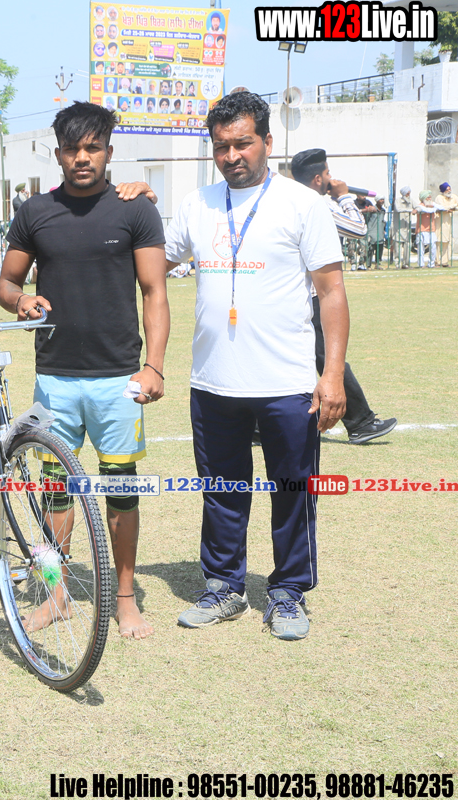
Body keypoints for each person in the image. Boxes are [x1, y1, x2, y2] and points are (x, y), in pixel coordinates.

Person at [164, 92, 349, 641]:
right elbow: (155, 260)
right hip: (213, 381)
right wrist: (130, 204)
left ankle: (288, 592)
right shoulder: (197, 204)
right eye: (221, 146)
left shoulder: (302, 204)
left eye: (243, 143)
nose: (232, 155)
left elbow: (331, 291)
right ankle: (224, 587)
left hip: (287, 382)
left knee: (292, 490)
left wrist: (332, 374)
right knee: (222, 490)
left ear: (267, 142)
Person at [0, 101, 168, 640]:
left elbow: (155, 292)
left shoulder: (135, 211)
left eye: (93, 147)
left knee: (121, 491)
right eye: (72, 149)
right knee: (54, 492)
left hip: (119, 380)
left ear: (109, 152)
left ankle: (124, 597)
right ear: (58, 155)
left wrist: (154, 366)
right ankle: (56, 594)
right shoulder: (35, 212)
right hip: (55, 377)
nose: (82, 158)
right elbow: (6, 284)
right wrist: (19, 300)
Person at [289, 148, 397, 445]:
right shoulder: (313, 205)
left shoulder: (286, 200)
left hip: (288, 294)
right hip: (311, 296)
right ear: (317, 179)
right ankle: (361, 422)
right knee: (330, 359)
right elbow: (358, 229)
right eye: (327, 173)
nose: (331, 178)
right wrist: (344, 196)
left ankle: (258, 426)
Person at [435, 182, 455, 266]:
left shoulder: (453, 197)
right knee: (438, 242)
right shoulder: (439, 197)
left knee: (448, 242)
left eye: (450, 189)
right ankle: (437, 261)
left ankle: (444, 261)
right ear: (443, 191)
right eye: (447, 189)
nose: (449, 191)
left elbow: (455, 205)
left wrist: (452, 208)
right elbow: (441, 207)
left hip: (448, 223)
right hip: (440, 223)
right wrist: (449, 208)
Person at [415, 190, 437, 268]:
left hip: (431, 229)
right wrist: (432, 208)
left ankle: (431, 264)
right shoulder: (419, 206)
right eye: (428, 197)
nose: (430, 199)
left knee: (433, 247)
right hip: (422, 229)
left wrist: (433, 207)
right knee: (421, 248)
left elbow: (440, 207)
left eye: (430, 197)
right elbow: (424, 210)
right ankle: (421, 264)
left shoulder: (433, 204)